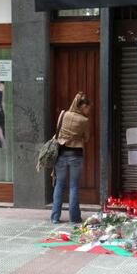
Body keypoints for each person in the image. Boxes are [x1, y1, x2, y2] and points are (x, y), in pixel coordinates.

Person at [51, 92, 91, 224]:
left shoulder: (64, 114)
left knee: (59, 185)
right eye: (87, 107)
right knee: (73, 186)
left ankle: (55, 217)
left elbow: (58, 130)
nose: (88, 110)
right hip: (75, 155)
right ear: (81, 107)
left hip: (61, 153)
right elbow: (86, 138)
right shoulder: (84, 121)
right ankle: (74, 218)